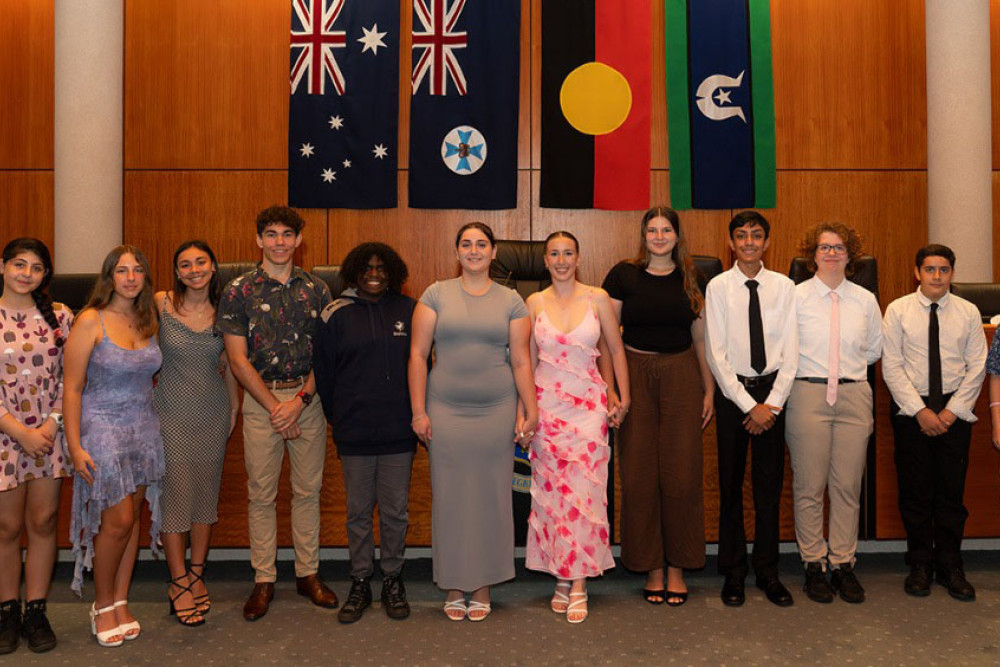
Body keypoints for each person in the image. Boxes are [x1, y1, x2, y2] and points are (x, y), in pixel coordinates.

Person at [408, 222, 538, 622]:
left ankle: (482, 585)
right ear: (457, 251)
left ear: (494, 251)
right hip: (444, 409)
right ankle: (452, 581)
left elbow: (520, 359)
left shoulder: (512, 301)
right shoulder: (435, 294)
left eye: (482, 244)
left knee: (491, 497)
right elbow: (417, 354)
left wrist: (530, 409)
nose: (474, 250)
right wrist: (418, 411)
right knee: (449, 497)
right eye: (466, 244)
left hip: (496, 410)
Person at [218, 205, 335, 621]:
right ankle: (264, 578)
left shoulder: (319, 290)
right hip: (260, 402)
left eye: (287, 234)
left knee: (308, 492)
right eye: (271, 234)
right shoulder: (238, 290)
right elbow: (236, 359)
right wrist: (274, 408)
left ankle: (307, 574)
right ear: (258, 240)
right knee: (261, 494)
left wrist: (299, 403)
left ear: (299, 240)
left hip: (308, 400)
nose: (279, 242)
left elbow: (327, 355)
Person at [601, 206, 715, 607]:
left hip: (682, 373)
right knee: (639, 474)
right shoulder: (622, 275)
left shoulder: (694, 276)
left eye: (667, 230)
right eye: (653, 230)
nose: (660, 236)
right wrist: (612, 389)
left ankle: (678, 567)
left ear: (677, 235)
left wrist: (708, 389)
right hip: (634, 372)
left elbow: (701, 339)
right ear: (643, 236)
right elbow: (608, 340)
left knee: (682, 475)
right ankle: (650, 565)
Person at [524, 231, 629, 624]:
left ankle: (580, 580)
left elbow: (615, 349)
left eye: (568, 253)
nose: (562, 260)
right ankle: (560, 577)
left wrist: (620, 395)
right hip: (548, 411)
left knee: (585, 496)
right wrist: (525, 412)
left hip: (588, 409)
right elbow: (527, 362)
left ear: (579, 258)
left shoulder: (597, 298)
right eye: (554, 254)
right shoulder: (533, 302)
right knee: (551, 498)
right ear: (546, 261)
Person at [63, 245, 163, 647]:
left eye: (137, 270)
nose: (130, 277)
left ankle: (121, 601)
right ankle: (102, 605)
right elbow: (71, 388)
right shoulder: (90, 320)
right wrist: (74, 445)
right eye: (122, 271)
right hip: (101, 426)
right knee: (117, 521)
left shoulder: (147, 317)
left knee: (133, 520)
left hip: (144, 427)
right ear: (109, 277)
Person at [313, 242, 416, 624]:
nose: (375, 274)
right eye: (367, 268)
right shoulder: (334, 314)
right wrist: (338, 417)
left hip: (398, 431)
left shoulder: (410, 309)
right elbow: (323, 373)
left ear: (393, 272)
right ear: (355, 272)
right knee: (357, 513)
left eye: (382, 268)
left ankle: (392, 578)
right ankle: (360, 579)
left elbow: (422, 364)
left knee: (395, 512)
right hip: (354, 432)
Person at [785, 223, 882, 604]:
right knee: (809, 486)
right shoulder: (795, 297)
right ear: (812, 254)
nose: (831, 253)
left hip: (854, 395)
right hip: (807, 392)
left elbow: (874, 349)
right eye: (824, 248)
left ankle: (843, 562)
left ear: (850, 254)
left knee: (846, 486)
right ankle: (813, 563)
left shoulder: (865, 300)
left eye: (839, 247)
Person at [883, 244, 986, 601]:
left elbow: (977, 366)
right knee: (915, 493)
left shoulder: (969, 312)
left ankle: (950, 565)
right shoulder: (897, 311)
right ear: (917, 273)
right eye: (930, 269)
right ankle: (920, 564)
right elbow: (891, 366)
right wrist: (921, 411)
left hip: (955, 412)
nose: (937, 276)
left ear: (952, 274)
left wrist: (951, 412)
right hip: (913, 413)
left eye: (944, 270)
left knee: (951, 495)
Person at [705, 211, 797, 608]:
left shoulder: (786, 286)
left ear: (767, 242)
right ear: (730, 243)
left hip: (774, 396)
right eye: (741, 236)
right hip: (734, 398)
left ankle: (768, 570)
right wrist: (748, 405)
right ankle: (734, 572)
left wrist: (771, 405)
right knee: (730, 486)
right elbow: (716, 354)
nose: (748, 242)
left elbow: (792, 352)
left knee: (768, 488)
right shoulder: (718, 287)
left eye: (756, 236)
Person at [154, 241, 239, 626]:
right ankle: (177, 581)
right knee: (177, 496)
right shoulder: (160, 304)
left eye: (200, 262)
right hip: (169, 413)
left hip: (213, 412)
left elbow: (231, 364)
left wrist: (234, 409)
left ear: (213, 265)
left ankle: (197, 574)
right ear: (177, 271)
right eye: (184, 264)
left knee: (206, 495)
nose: (193, 270)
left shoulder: (227, 311)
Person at [0, 239, 73, 654]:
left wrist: (50, 424)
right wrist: (20, 433)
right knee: (7, 528)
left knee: (43, 522)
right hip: (5, 437)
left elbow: (71, 378)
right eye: (19, 264)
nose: (26, 273)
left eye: (36, 268)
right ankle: (8, 609)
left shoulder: (61, 316)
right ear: (3, 266)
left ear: (46, 274)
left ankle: (37, 610)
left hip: (49, 436)